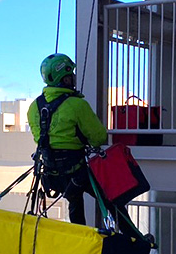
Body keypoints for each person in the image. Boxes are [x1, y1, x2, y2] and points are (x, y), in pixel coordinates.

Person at [27, 53, 136, 234]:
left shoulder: (33, 108)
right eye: (72, 74)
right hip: (77, 170)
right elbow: (99, 137)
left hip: (52, 173)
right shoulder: (77, 105)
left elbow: (40, 138)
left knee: (75, 202)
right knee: (110, 199)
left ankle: (80, 240)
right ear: (66, 77)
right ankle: (134, 237)